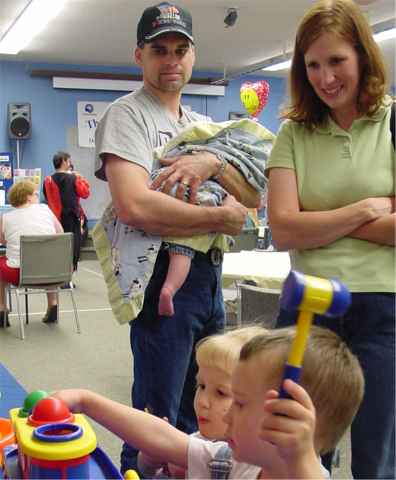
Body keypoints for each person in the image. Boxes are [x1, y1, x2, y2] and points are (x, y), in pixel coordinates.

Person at [93, 3, 256, 472]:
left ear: (193, 54)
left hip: (208, 277)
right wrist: (217, 218)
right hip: (162, 273)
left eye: (180, 50)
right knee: (156, 417)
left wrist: (215, 165)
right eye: (159, 50)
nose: (171, 61)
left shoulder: (197, 126)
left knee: (208, 412)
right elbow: (136, 206)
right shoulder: (128, 116)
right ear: (139, 56)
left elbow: (250, 198)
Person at [266, 1, 395, 478]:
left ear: (363, 56)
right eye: (312, 65)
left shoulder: (392, 123)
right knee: (296, 448)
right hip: (309, 307)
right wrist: (366, 209)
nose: (325, 77)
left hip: (385, 310)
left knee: (377, 456)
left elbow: (298, 221)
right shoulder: (293, 134)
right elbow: (282, 229)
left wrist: (316, 219)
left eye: (336, 60)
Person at [53, 325, 364, 479]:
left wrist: (300, 459)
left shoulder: (306, 473)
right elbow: (163, 438)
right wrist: (86, 402)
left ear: (289, 417)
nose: (227, 417)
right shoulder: (231, 459)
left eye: (239, 403)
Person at [137, 325, 266, 477]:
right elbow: (150, 472)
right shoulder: (198, 438)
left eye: (220, 393)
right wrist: (151, 459)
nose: (202, 402)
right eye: (201, 386)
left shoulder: (254, 465)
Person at [0, 181, 63, 327]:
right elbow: (60, 233)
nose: (37, 197)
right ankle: (52, 303)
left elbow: (3, 241)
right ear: (28, 197)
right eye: (35, 194)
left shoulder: (6, 217)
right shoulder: (45, 209)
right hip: (54, 272)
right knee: (45, 257)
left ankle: (2, 309)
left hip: (20, 273)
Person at [43, 151, 90, 276]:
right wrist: (80, 178)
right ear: (64, 161)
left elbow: (47, 197)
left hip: (54, 219)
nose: (70, 163)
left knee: (58, 246)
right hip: (71, 217)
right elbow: (85, 193)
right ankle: (68, 275)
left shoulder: (47, 180)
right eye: (69, 161)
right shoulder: (73, 178)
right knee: (73, 246)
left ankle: (57, 272)